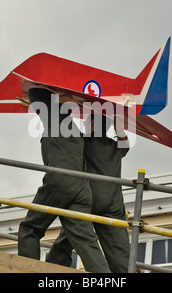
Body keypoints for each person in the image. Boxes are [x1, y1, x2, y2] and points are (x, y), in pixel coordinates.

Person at [18, 88, 110, 273]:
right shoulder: (72, 128)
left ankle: (27, 270)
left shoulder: (55, 118)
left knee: (30, 228)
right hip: (82, 190)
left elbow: (37, 95)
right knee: (85, 240)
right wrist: (64, 100)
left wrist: (34, 93)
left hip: (60, 183)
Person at [47, 113, 131, 272]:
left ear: (92, 125)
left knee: (70, 235)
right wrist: (118, 125)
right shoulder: (115, 147)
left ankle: (53, 267)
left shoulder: (83, 141)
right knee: (118, 247)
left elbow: (63, 138)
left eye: (86, 122)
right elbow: (125, 142)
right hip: (114, 203)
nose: (84, 125)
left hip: (90, 198)